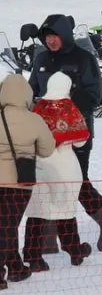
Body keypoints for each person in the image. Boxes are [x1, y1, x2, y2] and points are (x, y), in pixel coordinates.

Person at [25, 16, 102, 251]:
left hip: (75, 134)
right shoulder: (41, 59)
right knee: (45, 180)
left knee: (75, 181)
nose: (51, 41)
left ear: (64, 35)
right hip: (44, 134)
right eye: (47, 37)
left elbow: (94, 93)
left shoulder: (84, 59)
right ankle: (48, 239)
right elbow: (31, 90)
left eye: (54, 36)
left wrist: (64, 110)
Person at [23, 71, 90, 270]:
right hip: (63, 164)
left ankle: (32, 254)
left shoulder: (38, 107)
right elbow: (80, 141)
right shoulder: (68, 107)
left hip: (39, 165)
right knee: (65, 208)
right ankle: (74, 249)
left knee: (37, 211)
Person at [0, 72, 55, 282]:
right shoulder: (34, 119)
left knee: (5, 226)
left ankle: (15, 266)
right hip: (19, 183)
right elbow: (47, 150)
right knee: (8, 225)